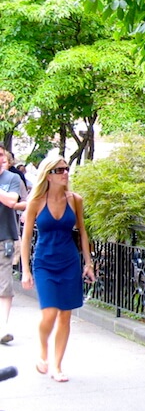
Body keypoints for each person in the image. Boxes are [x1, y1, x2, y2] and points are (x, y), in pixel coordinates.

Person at [20, 155, 95, 382]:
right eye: (60, 170)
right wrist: (25, 270)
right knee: (49, 312)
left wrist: (88, 263)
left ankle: (57, 365)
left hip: (69, 262)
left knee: (65, 316)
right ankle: (42, 350)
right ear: (48, 175)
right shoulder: (36, 201)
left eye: (66, 169)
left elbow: (82, 231)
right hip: (44, 262)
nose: (65, 173)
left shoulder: (75, 200)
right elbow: (26, 238)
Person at [0, 145, 21, 346]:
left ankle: (3, 327)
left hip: (4, 238)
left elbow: (11, 202)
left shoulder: (11, 179)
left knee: (4, 283)